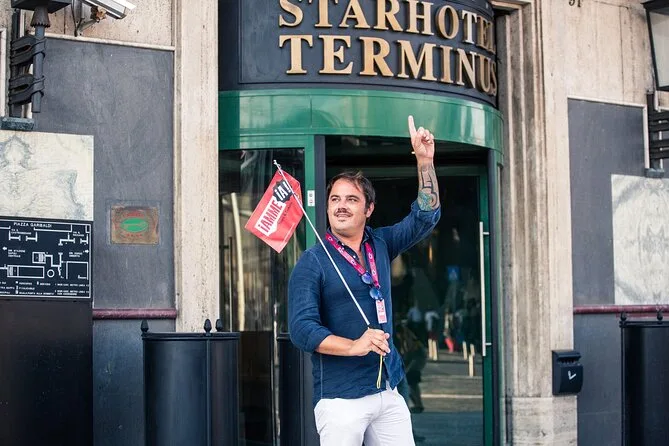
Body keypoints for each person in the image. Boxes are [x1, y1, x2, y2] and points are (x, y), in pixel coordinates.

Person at [288, 116, 441, 446]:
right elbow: (302, 329)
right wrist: (353, 346)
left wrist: (424, 161)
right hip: (341, 399)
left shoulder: (380, 244)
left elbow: (425, 217)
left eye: (351, 199)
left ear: (369, 208)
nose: (341, 207)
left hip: (387, 388)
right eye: (335, 199)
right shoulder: (312, 262)